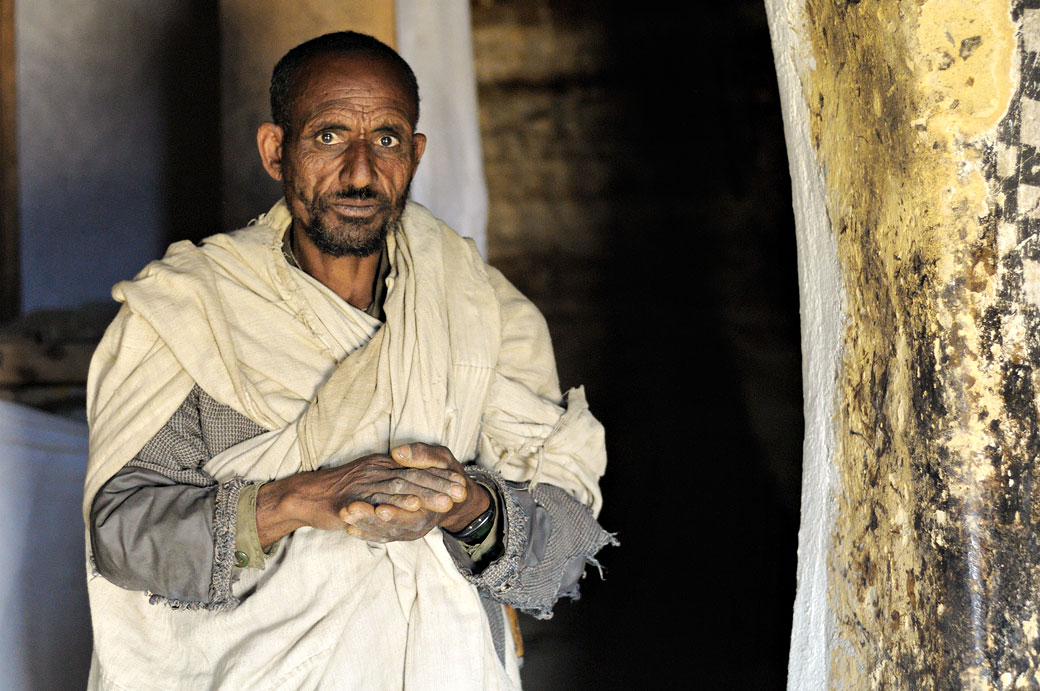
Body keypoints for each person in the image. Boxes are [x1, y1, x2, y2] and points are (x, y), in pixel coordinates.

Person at [82, 31, 611, 690]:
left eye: (386, 139)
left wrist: (468, 506)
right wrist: (306, 498)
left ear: (414, 154)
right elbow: (122, 531)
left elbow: (558, 554)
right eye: (329, 137)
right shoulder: (194, 308)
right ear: (277, 149)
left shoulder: (479, 306)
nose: (360, 172)